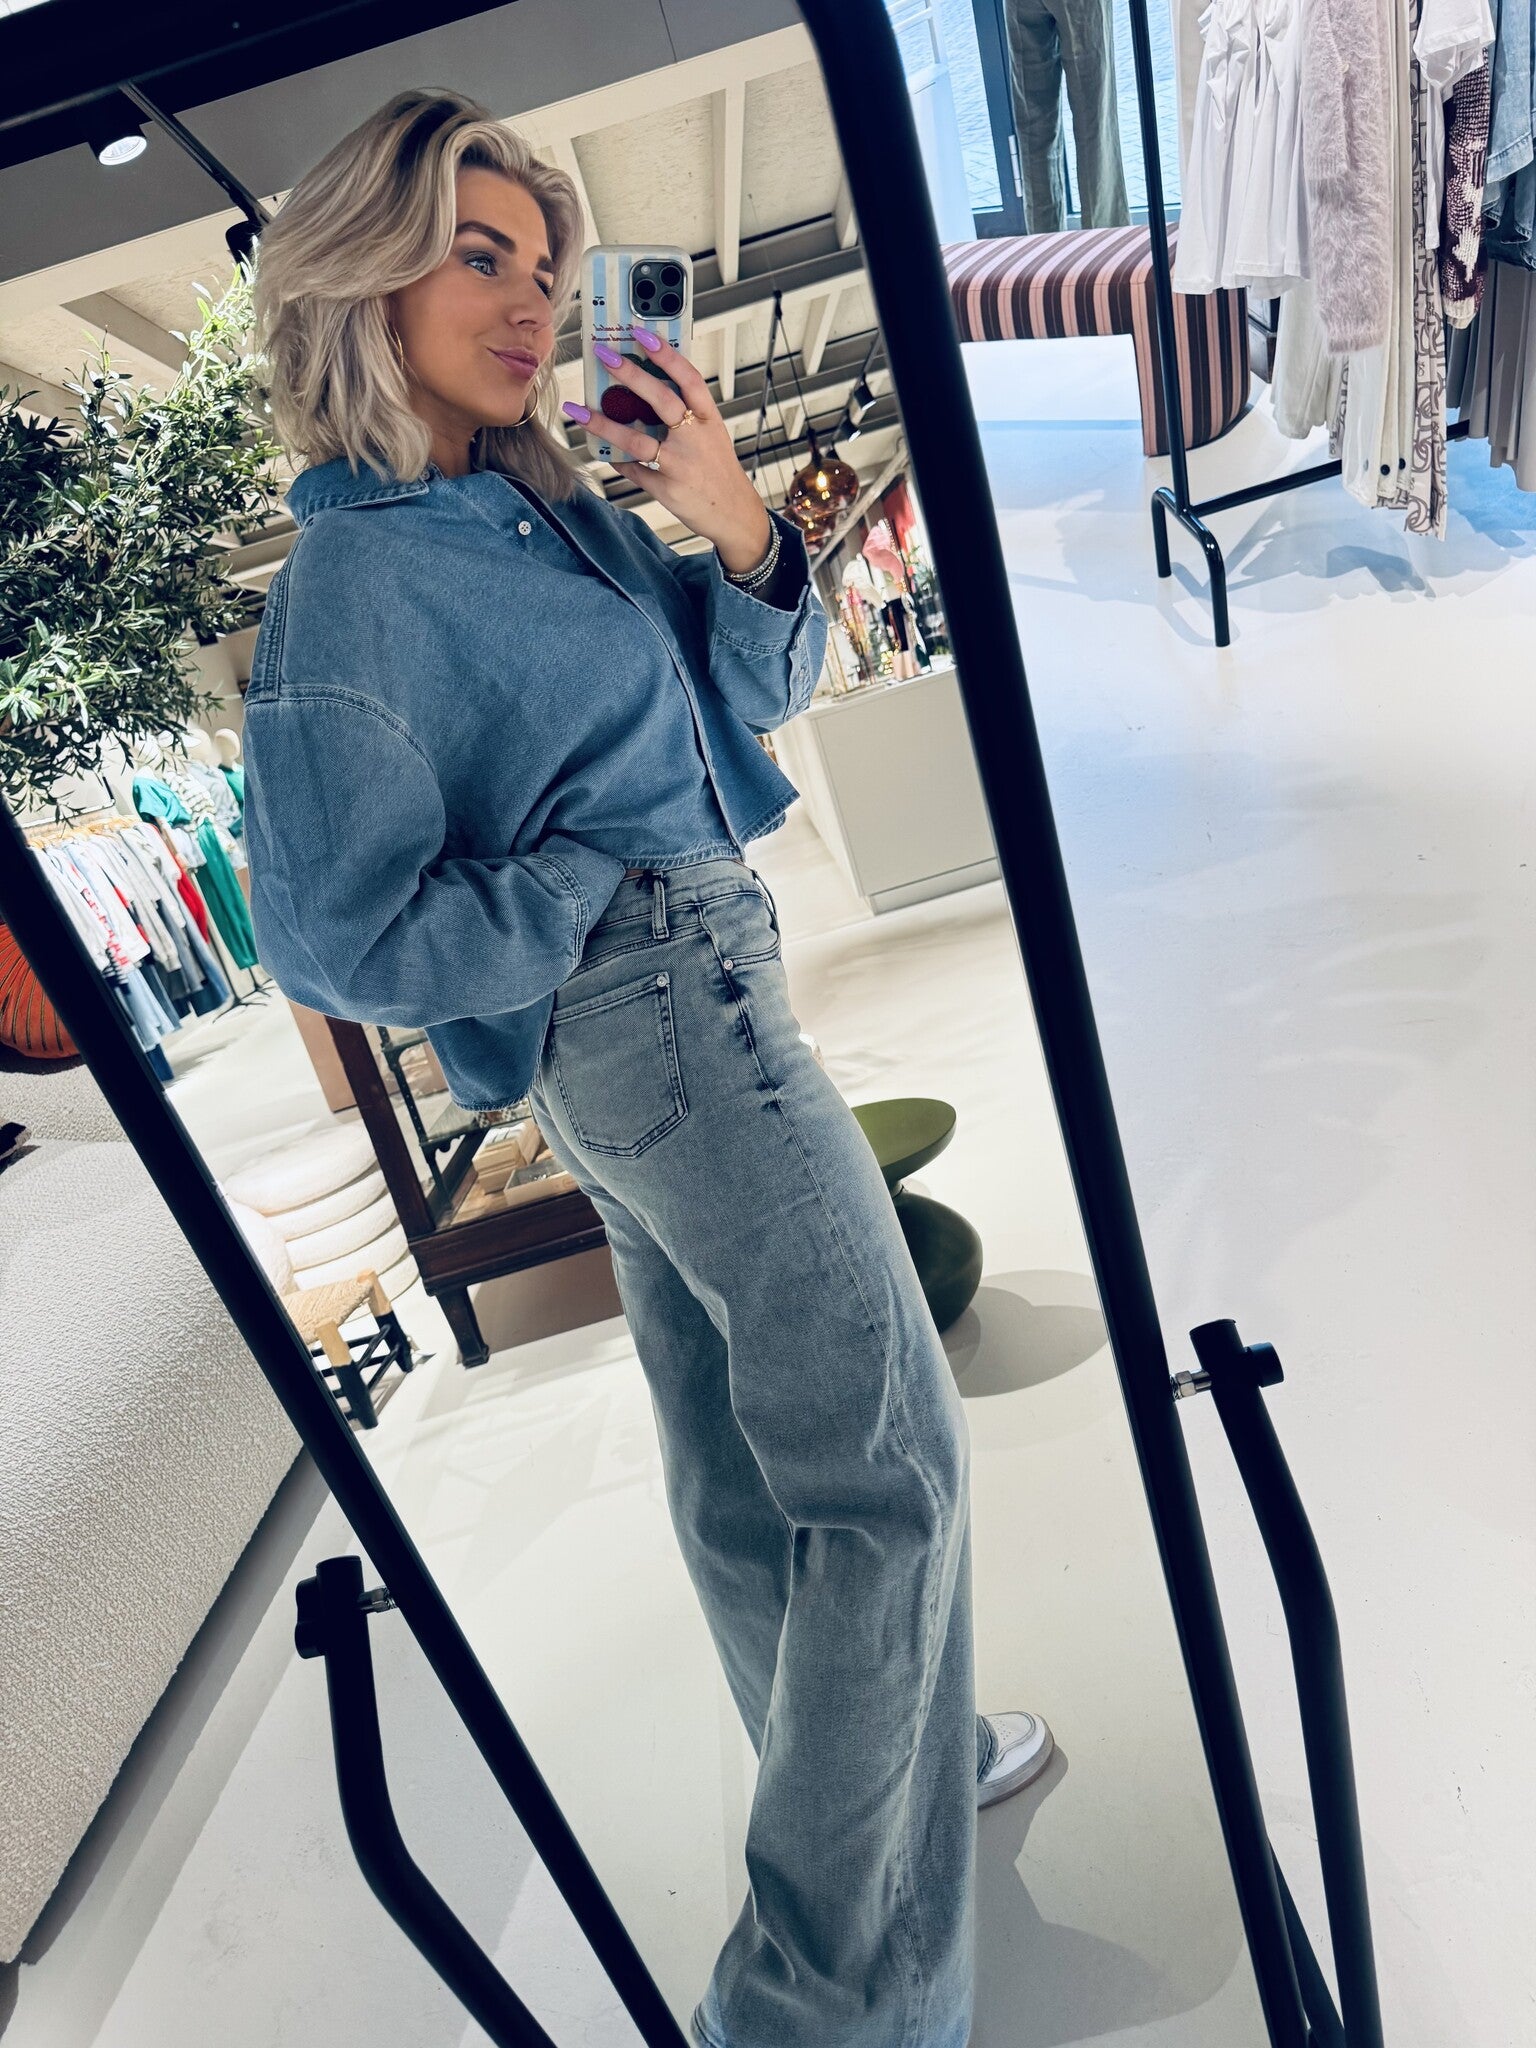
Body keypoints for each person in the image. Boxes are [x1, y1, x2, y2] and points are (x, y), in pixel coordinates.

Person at [243, 86, 1053, 2048]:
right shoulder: (358, 588)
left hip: (666, 1021)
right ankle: (815, 2010)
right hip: (659, 1006)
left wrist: (734, 517)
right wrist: (578, 889)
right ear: (365, 276)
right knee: (889, 1474)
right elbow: (332, 934)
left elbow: (738, 698)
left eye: (546, 264)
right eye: (478, 256)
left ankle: (890, 1782)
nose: (532, 303)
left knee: (747, 1469)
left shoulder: (535, 499)